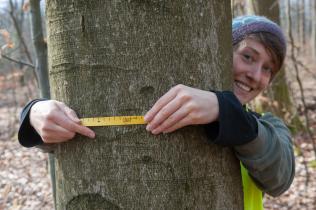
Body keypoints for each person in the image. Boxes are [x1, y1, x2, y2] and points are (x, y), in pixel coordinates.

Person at [18, 16, 295, 210]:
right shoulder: (178, 94)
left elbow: (279, 177)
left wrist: (226, 112)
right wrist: (34, 114)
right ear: (221, 52)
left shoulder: (265, 127)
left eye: (268, 69)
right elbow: (80, 131)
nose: (256, 75)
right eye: (248, 56)